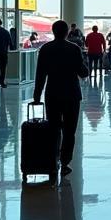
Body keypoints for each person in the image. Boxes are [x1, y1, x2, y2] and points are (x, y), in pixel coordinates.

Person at [33, 19, 90, 178]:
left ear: (53, 31)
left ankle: (53, 160)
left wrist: (37, 95)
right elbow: (83, 72)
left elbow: (40, 74)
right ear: (67, 33)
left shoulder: (45, 49)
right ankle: (65, 162)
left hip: (53, 93)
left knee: (53, 128)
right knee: (70, 130)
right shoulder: (74, 49)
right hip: (72, 94)